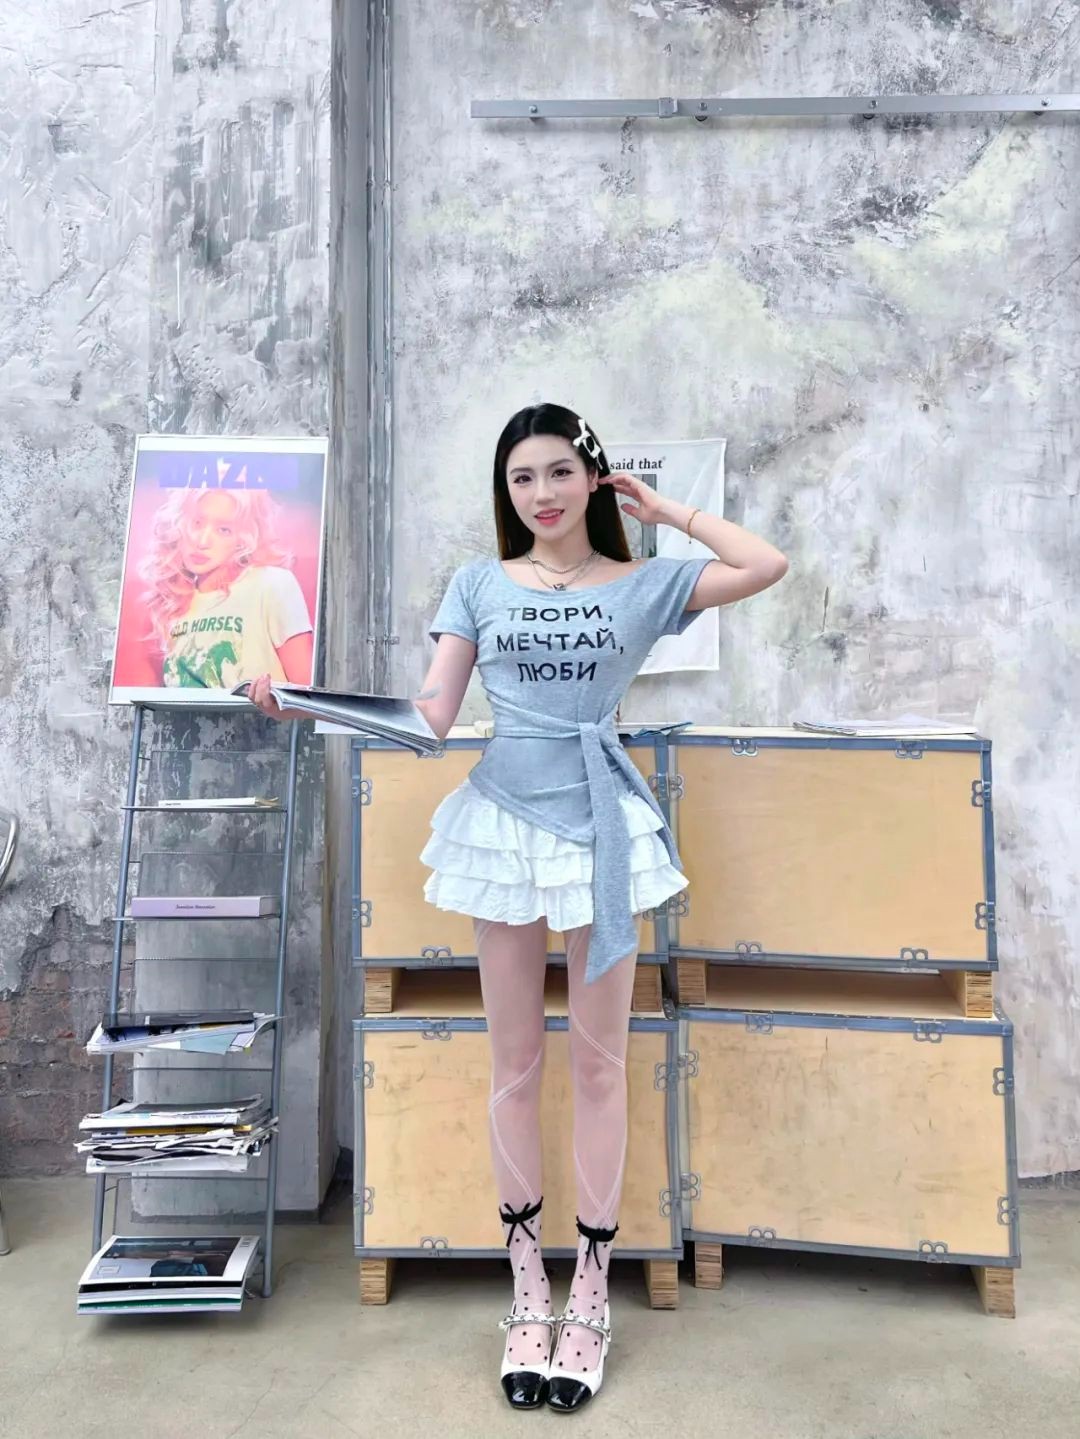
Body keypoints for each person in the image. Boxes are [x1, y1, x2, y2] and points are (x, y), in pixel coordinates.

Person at [249, 402, 788, 1414]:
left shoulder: (642, 581)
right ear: (507, 492)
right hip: (503, 827)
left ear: (593, 477)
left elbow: (764, 563)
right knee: (515, 1065)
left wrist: (667, 510)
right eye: (521, 478)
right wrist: (304, 702)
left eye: (558, 472)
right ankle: (527, 1286)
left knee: (599, 1064)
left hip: (602, 833)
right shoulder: (479, 583)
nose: (541, 493)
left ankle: (592, 1288)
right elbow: (429, 718)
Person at [137, 487, 314, 690]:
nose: (202, 542)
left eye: (223, 530)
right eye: (196, 523)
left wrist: (271, 703)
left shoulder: (272, 584)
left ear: (243, 539)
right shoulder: (172, 602)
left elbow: (307, 694)